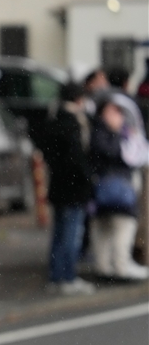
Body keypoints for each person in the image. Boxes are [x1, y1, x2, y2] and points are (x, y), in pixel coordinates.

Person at [42, 82, 96, 295]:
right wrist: (89, 177)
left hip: (58, 185)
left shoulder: (53, 119)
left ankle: (56, 276)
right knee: (71, 233)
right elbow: (77, 157)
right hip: (74, 187)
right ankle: (68, 276)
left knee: (59, 233)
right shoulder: (74, 123)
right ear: (78, 99)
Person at [89, 95, 149, 281]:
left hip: (107, 188)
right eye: (112, 111)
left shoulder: (118, 131)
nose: (117, 116)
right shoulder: (102, 132)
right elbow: (112, 153)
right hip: (113, 189)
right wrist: (116, 133)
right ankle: (117, 267)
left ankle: (107, 267)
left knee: (107, 229)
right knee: (120, 228)